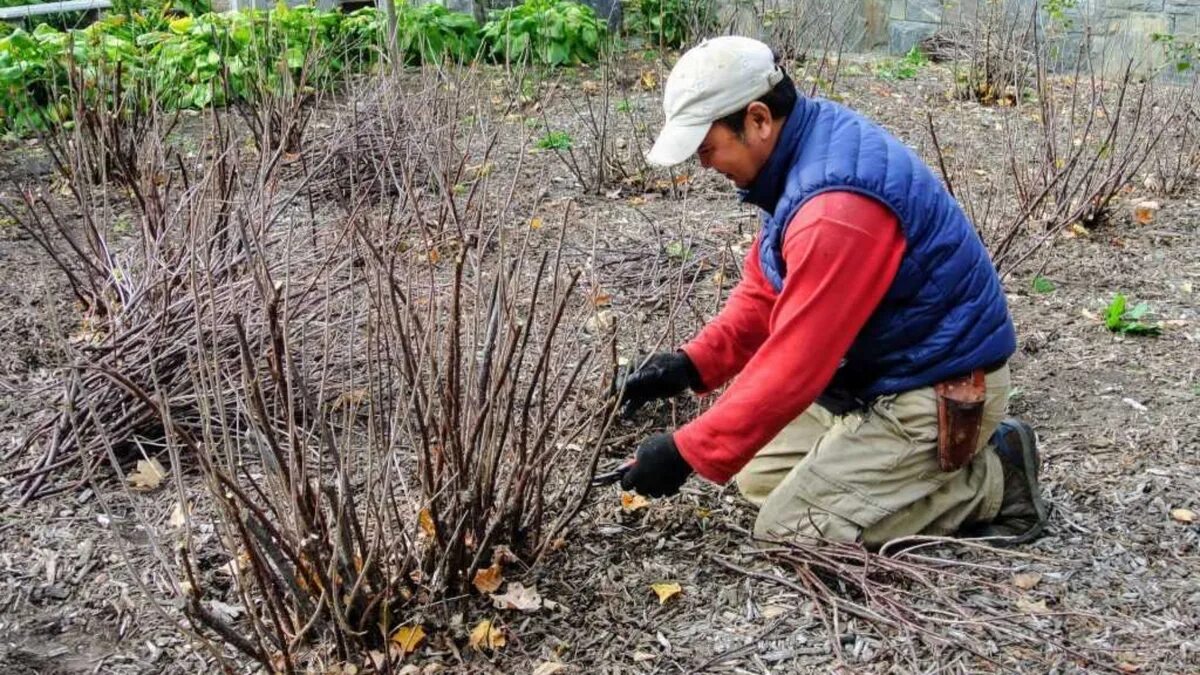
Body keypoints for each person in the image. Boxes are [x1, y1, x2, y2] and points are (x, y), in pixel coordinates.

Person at [612, 36, 1048, 548]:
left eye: (706, 148)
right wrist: (690, 365)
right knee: (755, 475)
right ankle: (877, 466)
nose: (704, 165)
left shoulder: (834, 207)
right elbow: (766, 290)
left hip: (934, 389)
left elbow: (797, 363)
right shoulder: (803, 153)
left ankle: (993, 481)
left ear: (757, 120)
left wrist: (685, 452)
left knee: (792, 530)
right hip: (886, 376)